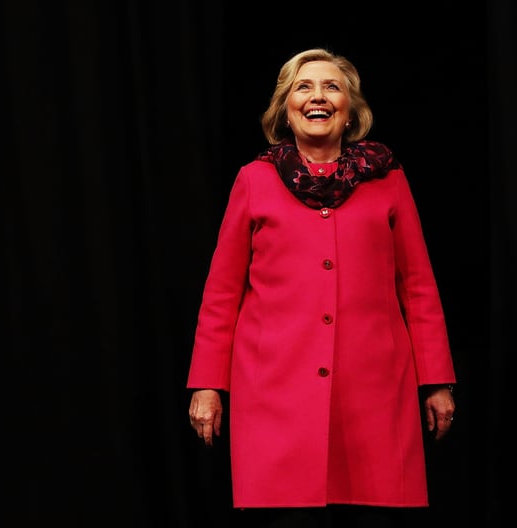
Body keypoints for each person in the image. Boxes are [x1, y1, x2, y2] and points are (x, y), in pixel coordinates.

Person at [186, 47, 457, 527]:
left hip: (373, 395)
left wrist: (436, 380)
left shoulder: (388, 180)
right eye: (303, 87)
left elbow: (418, 287)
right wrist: (207, 384)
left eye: (332, 87)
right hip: (274, 393)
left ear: (351, 110)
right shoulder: (254, 181)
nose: (318, 96)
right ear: (284, 109)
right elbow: (221, 294)